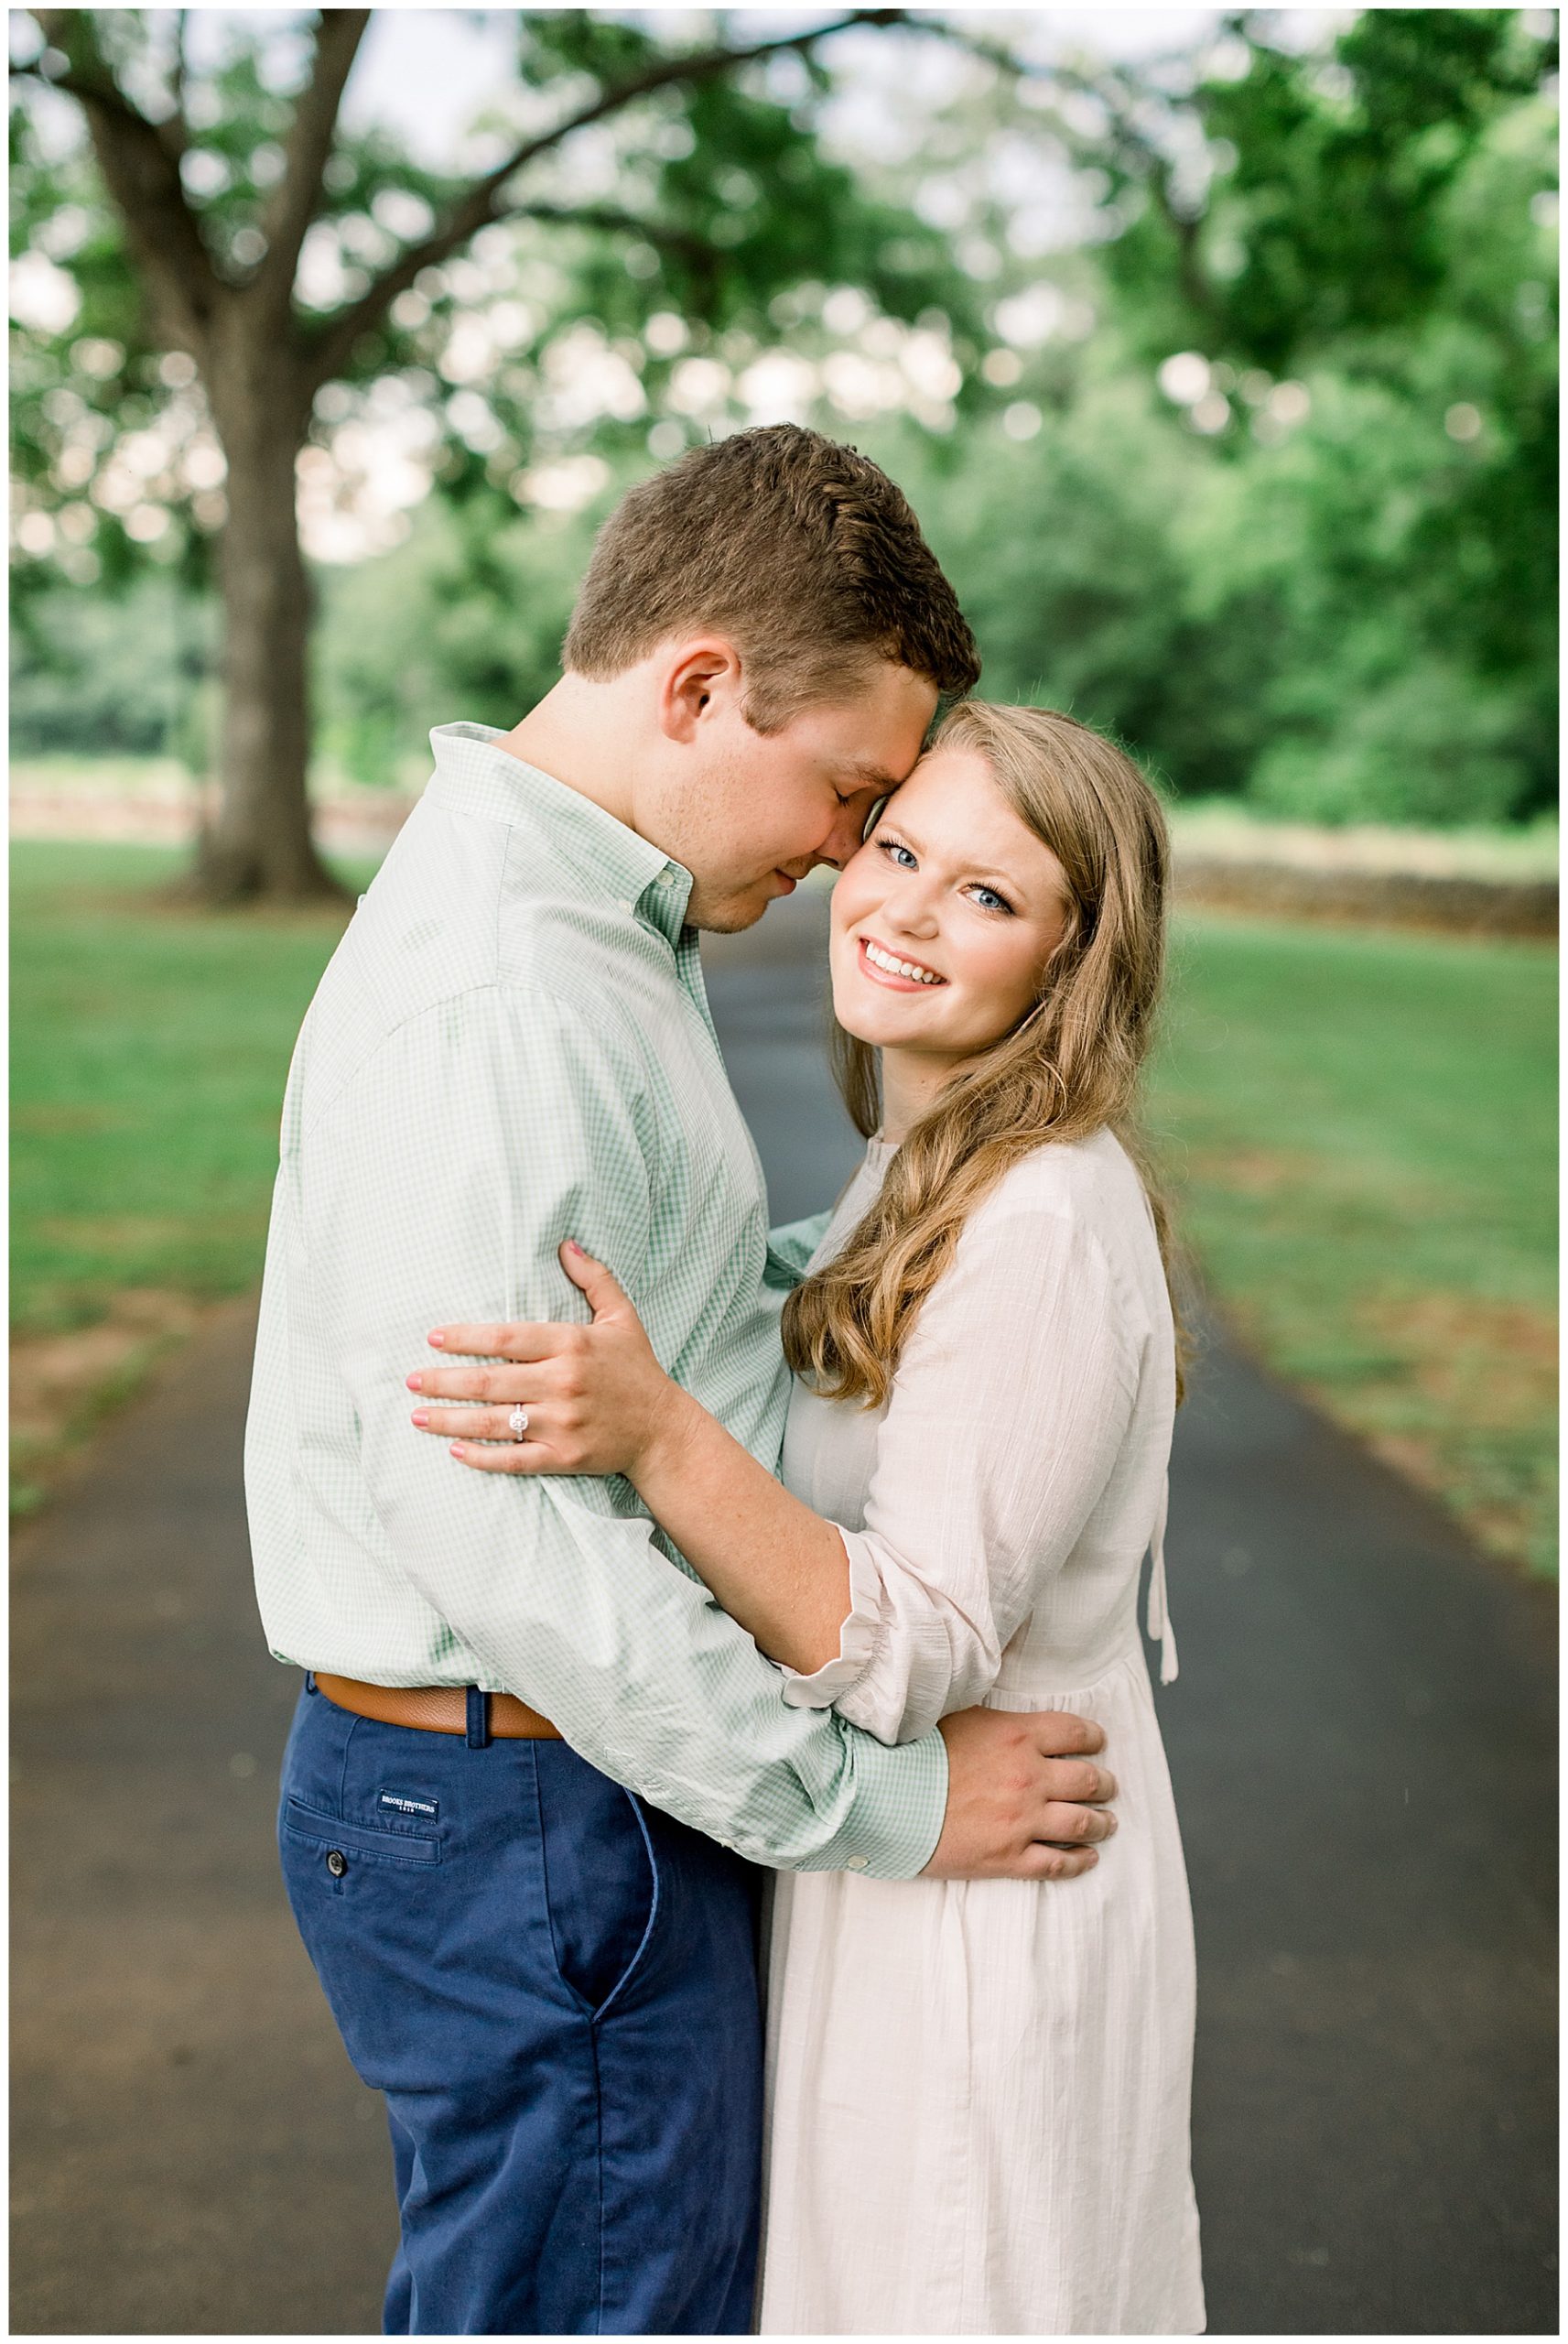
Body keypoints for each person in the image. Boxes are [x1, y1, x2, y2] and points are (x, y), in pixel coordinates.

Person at [245, 428, 1121, 2339]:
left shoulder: (592, 926)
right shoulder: (509, 993)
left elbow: (687, 1302)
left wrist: (925, 1234)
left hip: (561, 1797)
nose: (840, 853)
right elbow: (506, 1547)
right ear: (704, 684)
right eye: (849, 792)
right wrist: (879, 1798)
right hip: (530, 1805)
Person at [411, 699, 1206, 2334]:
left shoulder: (1042, 1212)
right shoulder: (922, 1162)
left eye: (987, 894)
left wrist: (650, 1429)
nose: (904, 907)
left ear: (1072, 961)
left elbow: (915, 1642)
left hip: (989, 1890)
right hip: (902, 1872)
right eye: (900, 848)